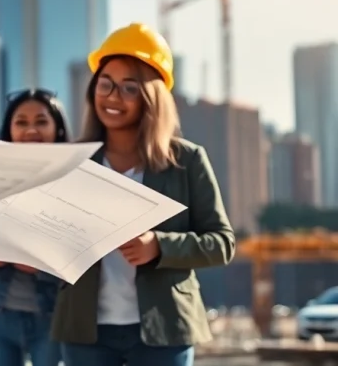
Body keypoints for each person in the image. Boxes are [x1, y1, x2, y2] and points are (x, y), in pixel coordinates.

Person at [51, 23, 236, 366]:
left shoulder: (187, 161)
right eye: (105, 85)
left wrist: (160, 246)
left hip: (164, 330)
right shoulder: (72, 162)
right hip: (86, 332)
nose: (112, 96)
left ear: (152, 98)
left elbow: (222, 243)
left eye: (129, 88)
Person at [0, 89, 69, 366]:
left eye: (41, 121)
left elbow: (85, 259)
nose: (31, 129)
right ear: (9, 130)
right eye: (21, 122)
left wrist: (43, 266)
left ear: (58, 128)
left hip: (53, 319)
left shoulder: (72, 183)